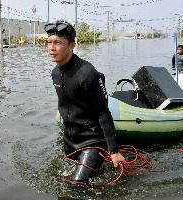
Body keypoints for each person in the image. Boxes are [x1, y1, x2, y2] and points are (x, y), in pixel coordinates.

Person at [44, 21, 125, 182]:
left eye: (58, 43)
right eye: (49, 42)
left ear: (72, 45)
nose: (51, 48)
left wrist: (114, 150)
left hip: (92, 141)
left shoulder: (87, 73)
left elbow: (103, 112)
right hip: (70, 139)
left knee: (76, 184)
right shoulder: (55, 72)